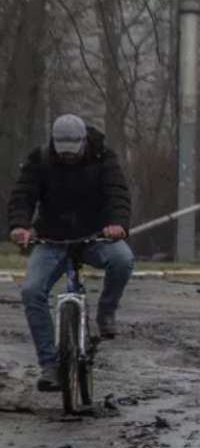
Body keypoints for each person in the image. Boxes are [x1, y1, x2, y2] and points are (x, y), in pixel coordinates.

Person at [7, 114, 134, 392]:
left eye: (72, 152)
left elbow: (118, 194)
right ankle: (49, 366)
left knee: (123, 260)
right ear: (54, 143)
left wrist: (118, 225)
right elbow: (23, 196)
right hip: (52, 239)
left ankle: (106, 313)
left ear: (83, 142)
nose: (67, 158)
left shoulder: (104, 158)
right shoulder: (39, 160)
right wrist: (20, 226)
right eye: (62, 152)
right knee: (31, 291)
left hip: (95, 237)